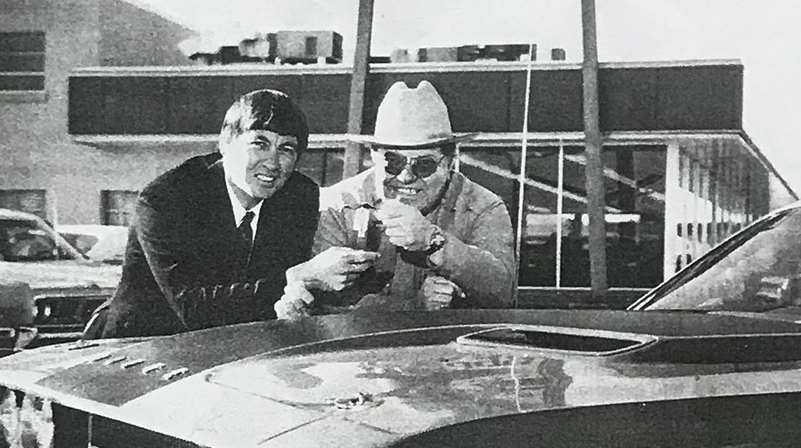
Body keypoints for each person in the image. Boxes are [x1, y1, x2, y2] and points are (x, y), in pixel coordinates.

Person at [103, 89, 376, 337]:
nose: (272, 163)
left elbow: (278, 291)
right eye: (260, 143)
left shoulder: (299, 196)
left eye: (286, 149)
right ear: (226, 142)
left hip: (239, 346)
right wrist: (298, 277)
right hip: (142, 345)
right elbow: (193, 308)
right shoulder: (168, 198)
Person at [277, 80, 516, 317]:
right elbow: (319, 304)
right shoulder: (340, 205)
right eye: (393, 162)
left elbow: (504, 293)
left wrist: (434, 243)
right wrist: (415, 306)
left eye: (424, 165)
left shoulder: (483, 207)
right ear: (373, 156)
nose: (406, 176)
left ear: (449, 162)